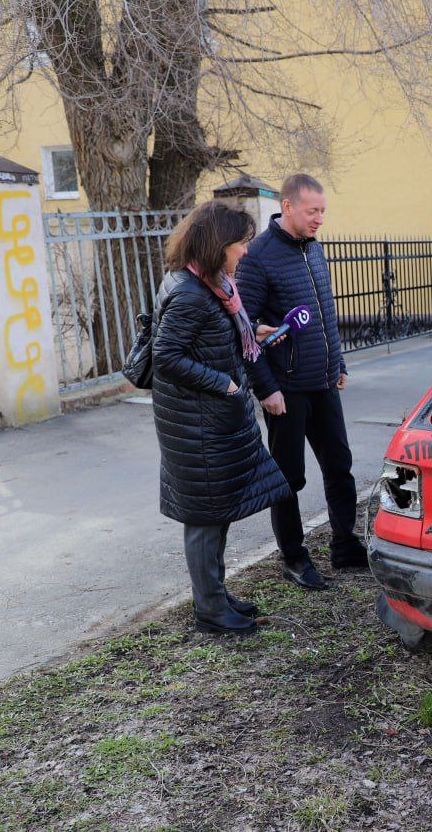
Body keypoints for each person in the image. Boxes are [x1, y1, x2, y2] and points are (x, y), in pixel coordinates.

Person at [152, 200, 292, 634]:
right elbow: (166, 356)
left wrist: (253, 335)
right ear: (218, 245)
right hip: (197, 423)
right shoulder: (192, 293)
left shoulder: (208, 284)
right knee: (205, 519)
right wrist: (225, 384)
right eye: (240, 244)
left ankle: (213, 594)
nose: (245, 252)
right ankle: (209, 609)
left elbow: (205, 341)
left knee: (217, 512)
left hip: (208, 420)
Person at [237, 174, 364, 590]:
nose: (319, 219)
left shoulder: (314, 247)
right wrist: (266, 389)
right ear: (287, 206)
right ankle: (293, 557)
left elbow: (325, 311)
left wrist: (337, 360)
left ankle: (345, 546)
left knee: (340, 468)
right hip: (285, 391)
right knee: (289, 478)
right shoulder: (257, 256)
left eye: (323, 211)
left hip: (324, 381)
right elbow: (245, 332)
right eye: (313, 211)